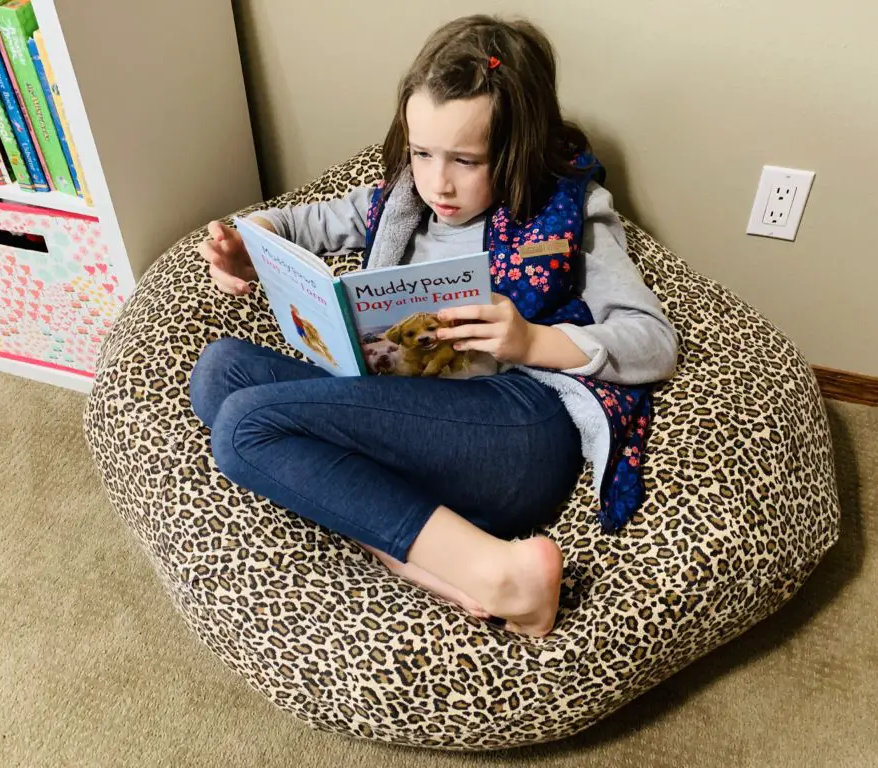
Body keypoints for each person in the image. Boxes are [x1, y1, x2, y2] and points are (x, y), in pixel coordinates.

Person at [189, 14, 677, 637]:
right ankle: (428, 562)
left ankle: (502, 572)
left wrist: (532, 340)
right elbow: (286, 224)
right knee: (219, 372)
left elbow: (654, 340)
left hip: (515, 426)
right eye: (422, 152)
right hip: (405, 412)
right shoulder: (401, 201)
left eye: (466, 160)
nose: (438, 182)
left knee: (242, 429)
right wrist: (246, 249)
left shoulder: (572, 212)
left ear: (517, 148)